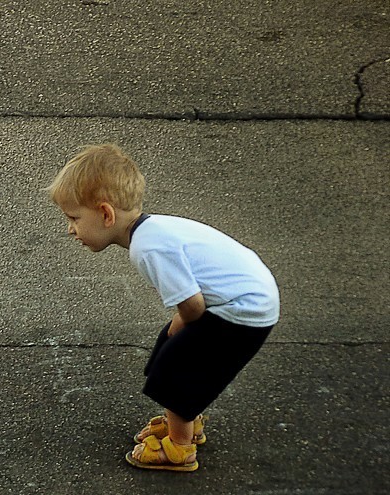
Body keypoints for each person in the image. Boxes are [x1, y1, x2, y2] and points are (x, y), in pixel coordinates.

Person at [46, 144, 279, 472]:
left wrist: (180, 330)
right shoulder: (152, 230)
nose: (70, 229)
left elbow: (193, 306)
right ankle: (186, 420)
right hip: (248, 298)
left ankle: (179, 448)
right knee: (172, 351)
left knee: (177, 369)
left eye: (74, 218)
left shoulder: (147, 249)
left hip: (244, 310)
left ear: (106, 214)